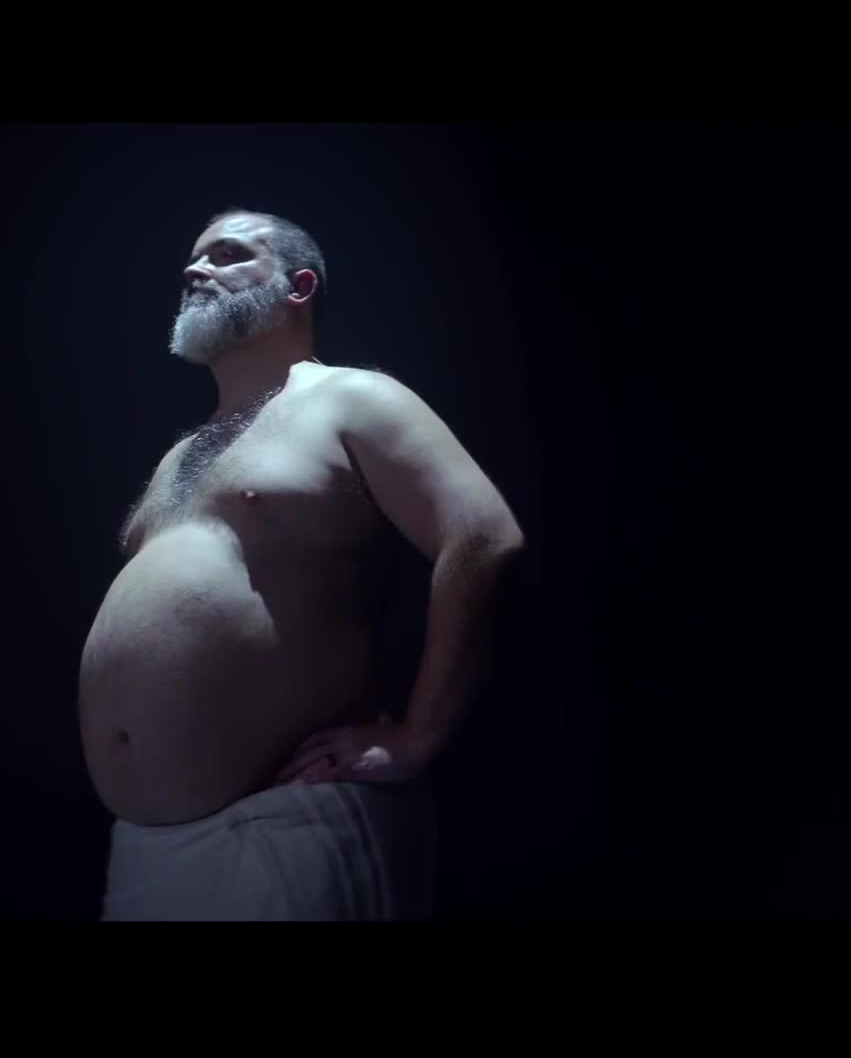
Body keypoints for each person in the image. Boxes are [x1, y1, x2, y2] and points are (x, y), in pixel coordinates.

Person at [78, 208, 524, 920]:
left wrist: (416, 738)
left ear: (299, 286)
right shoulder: (180, 457)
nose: (195, 270)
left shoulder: (351, 398)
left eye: (227, 254)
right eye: (194, 259)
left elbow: (483, 538)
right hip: (145, 853)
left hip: (286, 824)